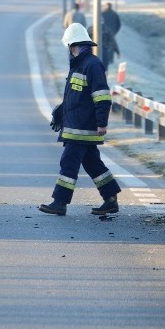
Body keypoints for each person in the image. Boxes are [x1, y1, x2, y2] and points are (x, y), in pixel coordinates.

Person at [39, 23, 121, 216]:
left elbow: (102, 96)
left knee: (68, 162)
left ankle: (60, 202)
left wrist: (102, 123)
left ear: (71, 45)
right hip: (76, 125)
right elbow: (78, 97)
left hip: (83, 128)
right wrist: (62, 110)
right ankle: (110, 199)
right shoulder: (80, 64)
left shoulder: (91, 65)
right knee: (93, 164)